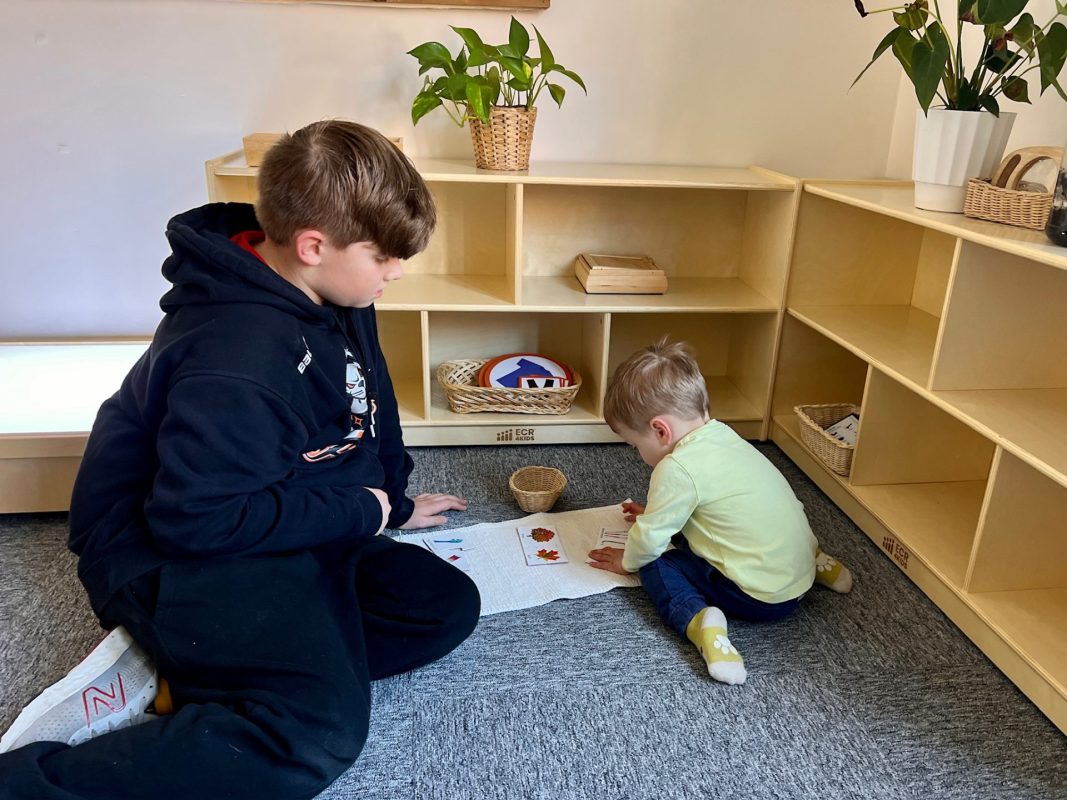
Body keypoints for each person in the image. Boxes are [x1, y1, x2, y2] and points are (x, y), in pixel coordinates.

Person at [0, 120, 480, 799]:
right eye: (383, 257)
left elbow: (369, 395)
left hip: (274, 506)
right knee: (314, 732)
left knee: (442, 606)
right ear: (313, 246)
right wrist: (357, 511)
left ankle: (215, 667)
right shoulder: (235, 357)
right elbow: (193, 521)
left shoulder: (335, 286)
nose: (395, 271)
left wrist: (391, 504)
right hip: (174, 547)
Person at [588, 339, 851, 686]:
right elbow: (721, 505)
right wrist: (656, 513)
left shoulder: (676, 468)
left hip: (761, 599)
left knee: (655, 563)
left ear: (661, 430)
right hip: (795, 572)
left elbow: (649, 541)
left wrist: (626, 561)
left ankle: (700, 622)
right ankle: (815, 561)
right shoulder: (724, 436)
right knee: (753, 514)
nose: (636, 453)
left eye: (634, 444)